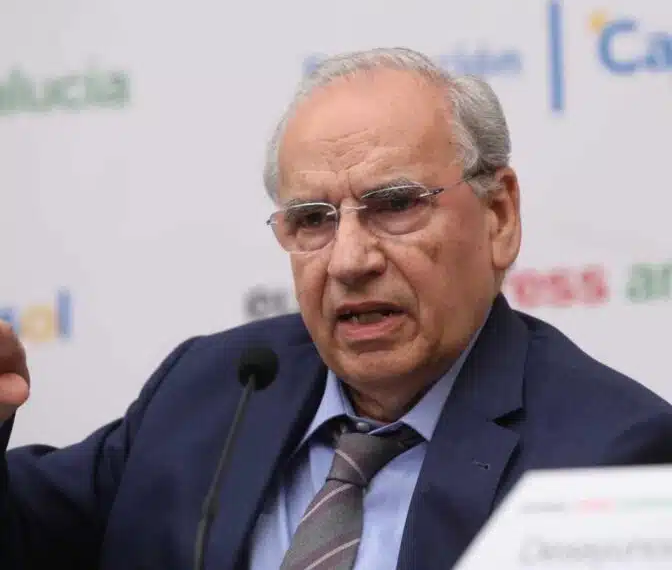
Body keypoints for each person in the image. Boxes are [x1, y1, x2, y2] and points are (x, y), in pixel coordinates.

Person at [1, 47, 672, 570]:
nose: (350, 260)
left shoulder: (611, 458)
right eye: (313, 219)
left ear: (498, 216)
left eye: (396, 205)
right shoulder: (212, 389)